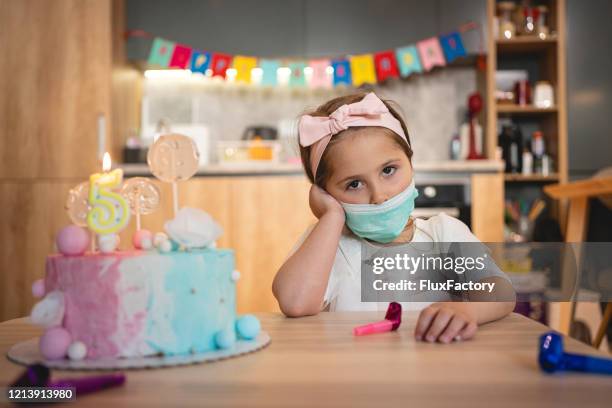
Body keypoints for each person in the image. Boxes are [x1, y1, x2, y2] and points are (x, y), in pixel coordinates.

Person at [273, 92, 515, 343]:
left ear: (411, 162)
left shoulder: (443, 233)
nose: (380, 196)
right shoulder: (327, 246)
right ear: (325, 193)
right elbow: (294, 302)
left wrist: (468, 310)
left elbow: (502, 291)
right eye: (354, 184)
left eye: (388, 170)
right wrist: (331, 217)